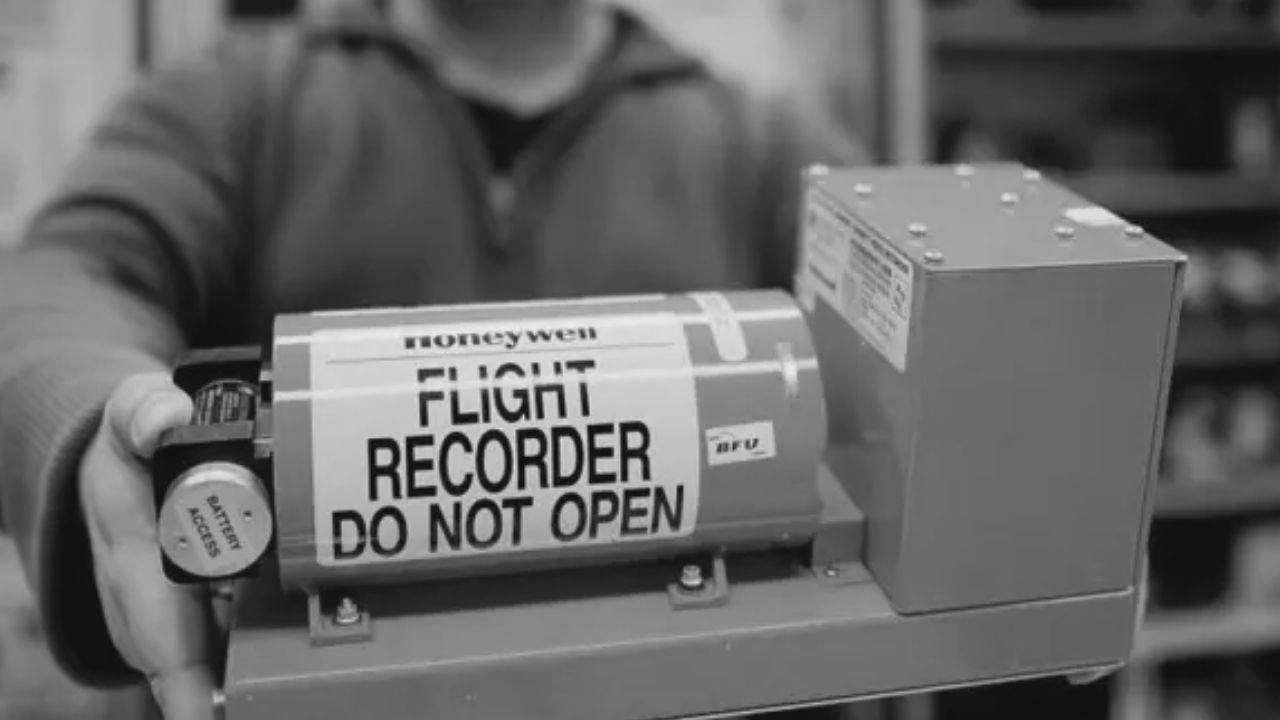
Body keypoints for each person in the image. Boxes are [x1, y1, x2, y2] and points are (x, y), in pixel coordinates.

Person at [0, 0, 864, 717]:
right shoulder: (239, 100)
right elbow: (57, 285)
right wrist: (97, 422)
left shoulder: (757, 146)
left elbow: (900, 333)